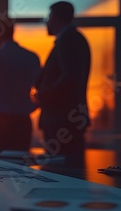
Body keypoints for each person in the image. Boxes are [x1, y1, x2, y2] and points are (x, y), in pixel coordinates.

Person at [35, 1, 91, 164]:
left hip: (62, 121)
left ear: (56, 18)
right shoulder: (72, 39)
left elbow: (70, 78)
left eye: (49, 17)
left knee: (61, 173)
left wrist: (43, 94)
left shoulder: (68, 40)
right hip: (64, 120)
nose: (47, 21)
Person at [0, 18, 41, 155]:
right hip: (23, 122)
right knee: (21, 167)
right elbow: (42, 88)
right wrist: (31, 106)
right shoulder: (31, 57)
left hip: (2, 122)